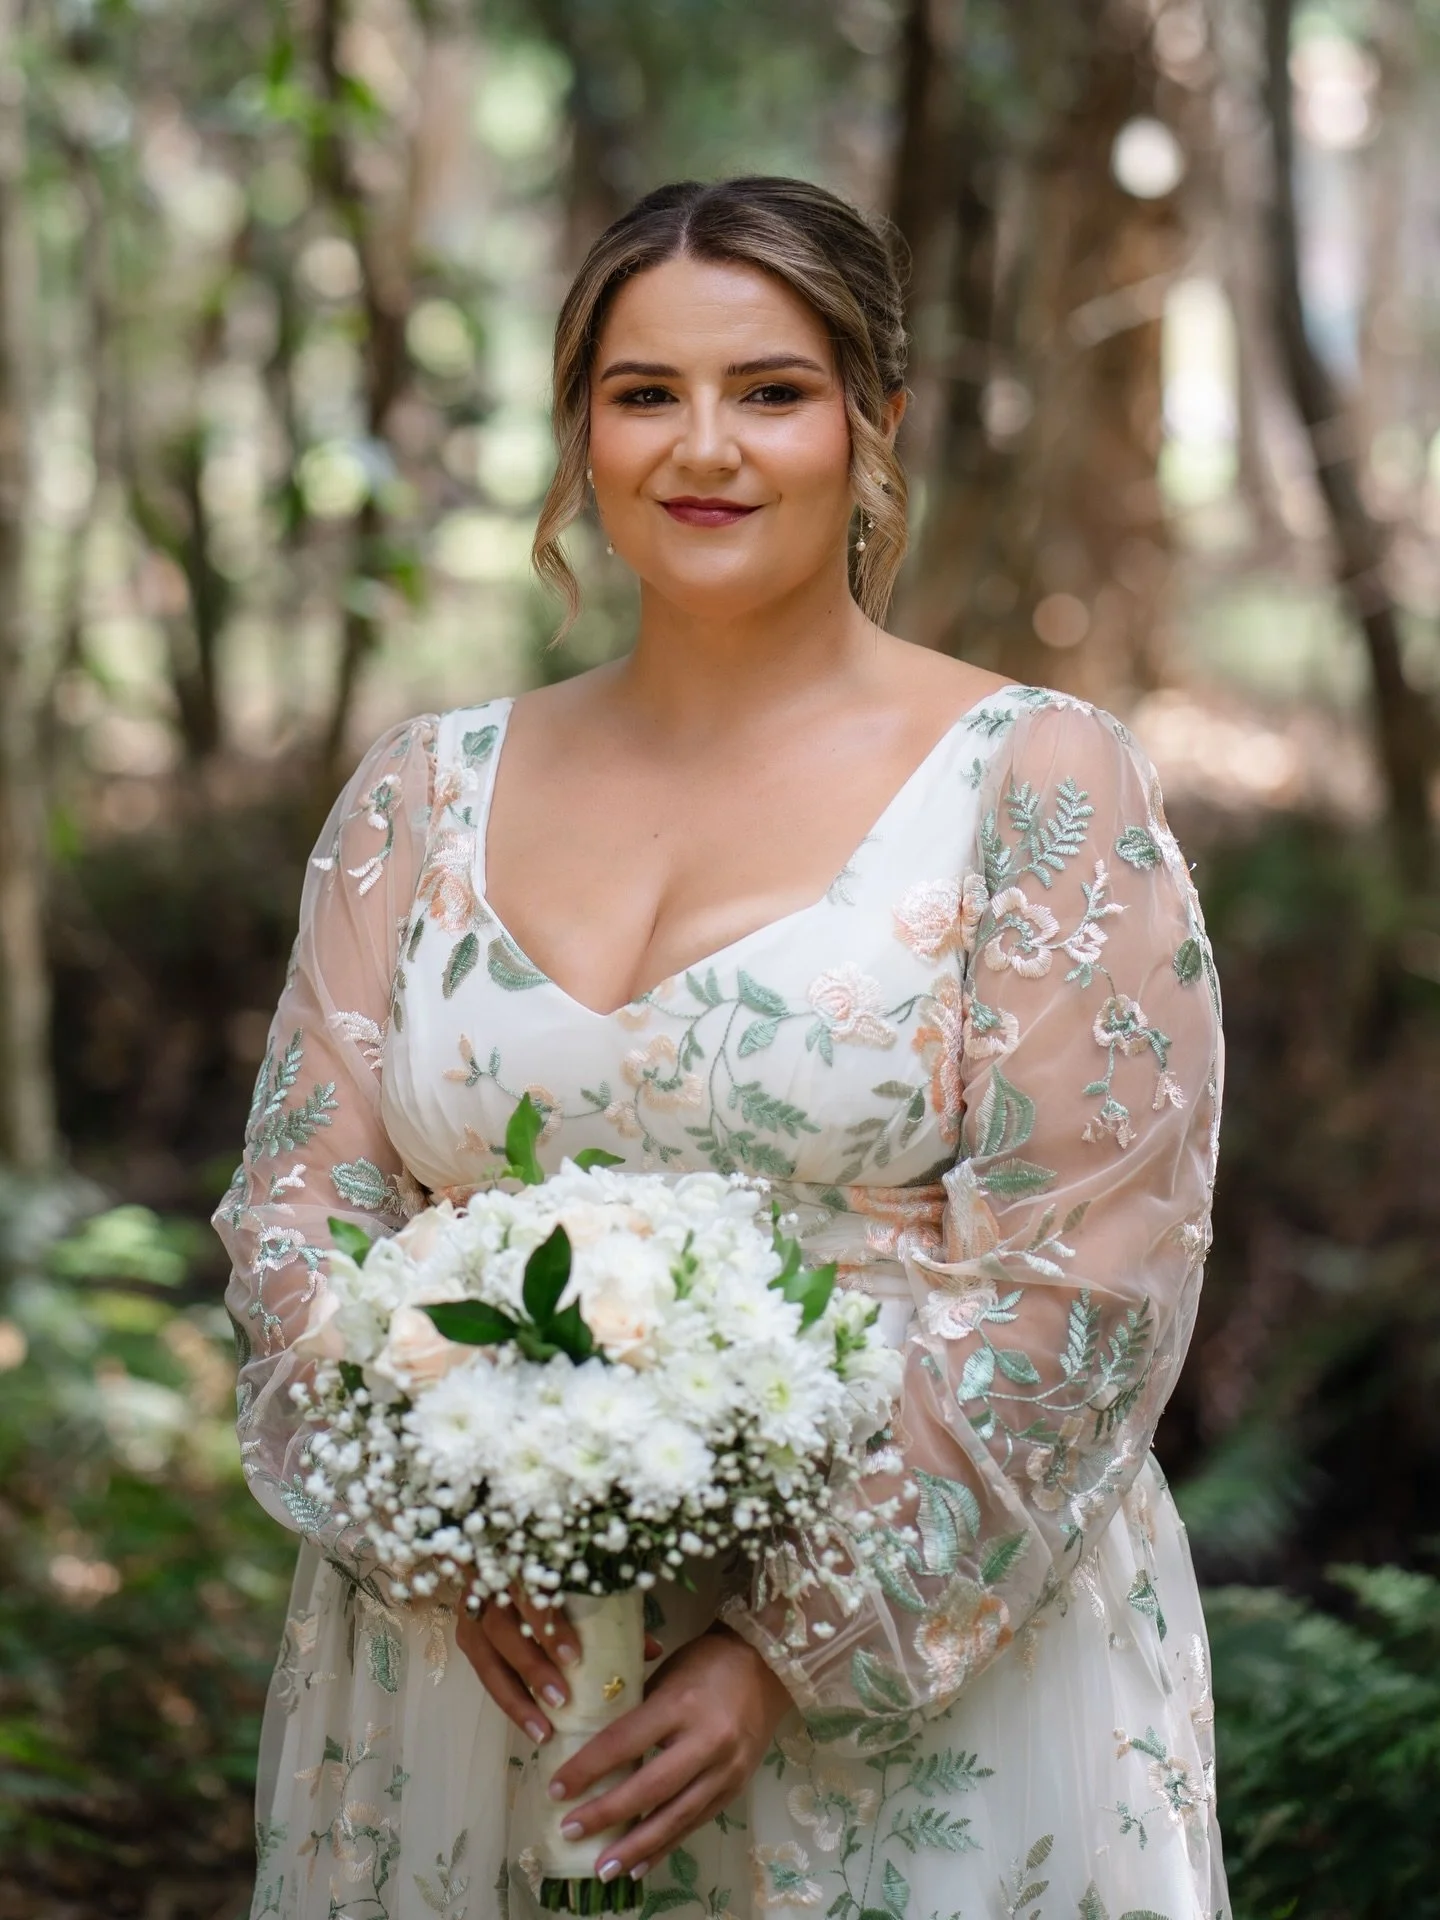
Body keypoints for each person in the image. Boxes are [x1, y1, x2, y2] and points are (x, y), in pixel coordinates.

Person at [214, 175, 1228, 1920]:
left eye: (770, 390)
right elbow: (300, 1212)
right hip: (482, 1678)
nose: (706, 448)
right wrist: (439, 1527)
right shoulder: (417, 795)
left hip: (923, 1681)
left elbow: (1094, 1279)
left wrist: (781, 1650)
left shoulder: (1038, 788)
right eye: (642, 392)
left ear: (875, 423)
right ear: (580, 433)